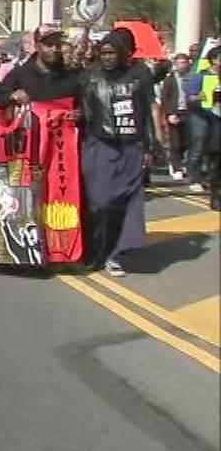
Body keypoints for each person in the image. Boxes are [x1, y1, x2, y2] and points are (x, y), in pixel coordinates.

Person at [77, 34, 156, 277]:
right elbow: (81, 108)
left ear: (122, 53)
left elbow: (147, 113)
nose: (108, 58)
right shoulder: (90, 76)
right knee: (100, 202)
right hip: (99, 146)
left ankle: (114, 254)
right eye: (104, 53)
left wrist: (150, 148)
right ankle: (94, 248)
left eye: (112, 53)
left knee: (125, 203)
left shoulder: (140, 75)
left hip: (131, 147)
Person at [0, 24, 79, 108]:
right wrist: (12, 96)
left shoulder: (70, 76)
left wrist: (78, 114)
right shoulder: (20, 74)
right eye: (49, 45)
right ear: (37, 47)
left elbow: (83, 106)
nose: (55, 49)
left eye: (58, 45)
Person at [184, 46, 219, 194]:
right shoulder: (201, 76)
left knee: (215, 149)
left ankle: (212, 178)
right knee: (198, 145)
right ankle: (194, 177)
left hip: (217, 116)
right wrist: (200, 96)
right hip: (201, 115)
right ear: (214, 60)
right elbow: (189, 97)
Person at [155, 53, 193, 181]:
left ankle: (184, 164)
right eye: (179, 63)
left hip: (189, 113)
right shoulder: (170, 79)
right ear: (175, 65)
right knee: (175, 142)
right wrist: (169, 114)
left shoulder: (192, 78)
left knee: (187, 141)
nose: (182, 65)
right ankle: (176, 166)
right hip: (175, 112)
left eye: (184, 62)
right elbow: (165, 98)